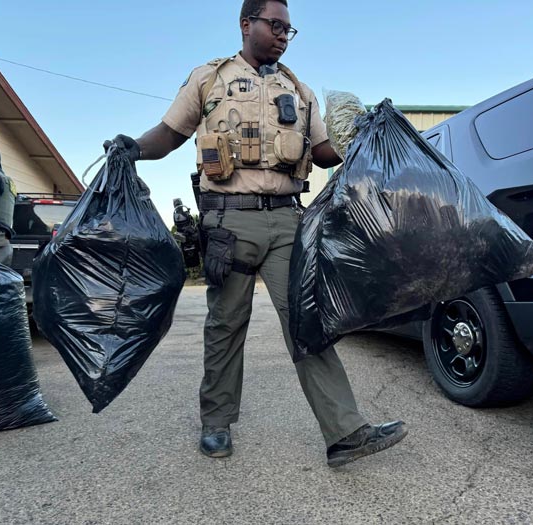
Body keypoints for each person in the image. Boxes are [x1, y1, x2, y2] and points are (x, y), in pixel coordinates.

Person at [107, 0, 407, 468]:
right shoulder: (209, 78)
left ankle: (345, 433)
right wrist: (134, 148)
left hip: (288, 219)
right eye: (276, 25)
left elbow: (324, 153)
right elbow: (170, 133)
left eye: (290, 29)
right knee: (226, 324)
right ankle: (216, 424)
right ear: (246, 24)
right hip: (229, 219)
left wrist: (358, 133)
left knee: (307, 322)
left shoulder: (299, 90)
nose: (284, 35)